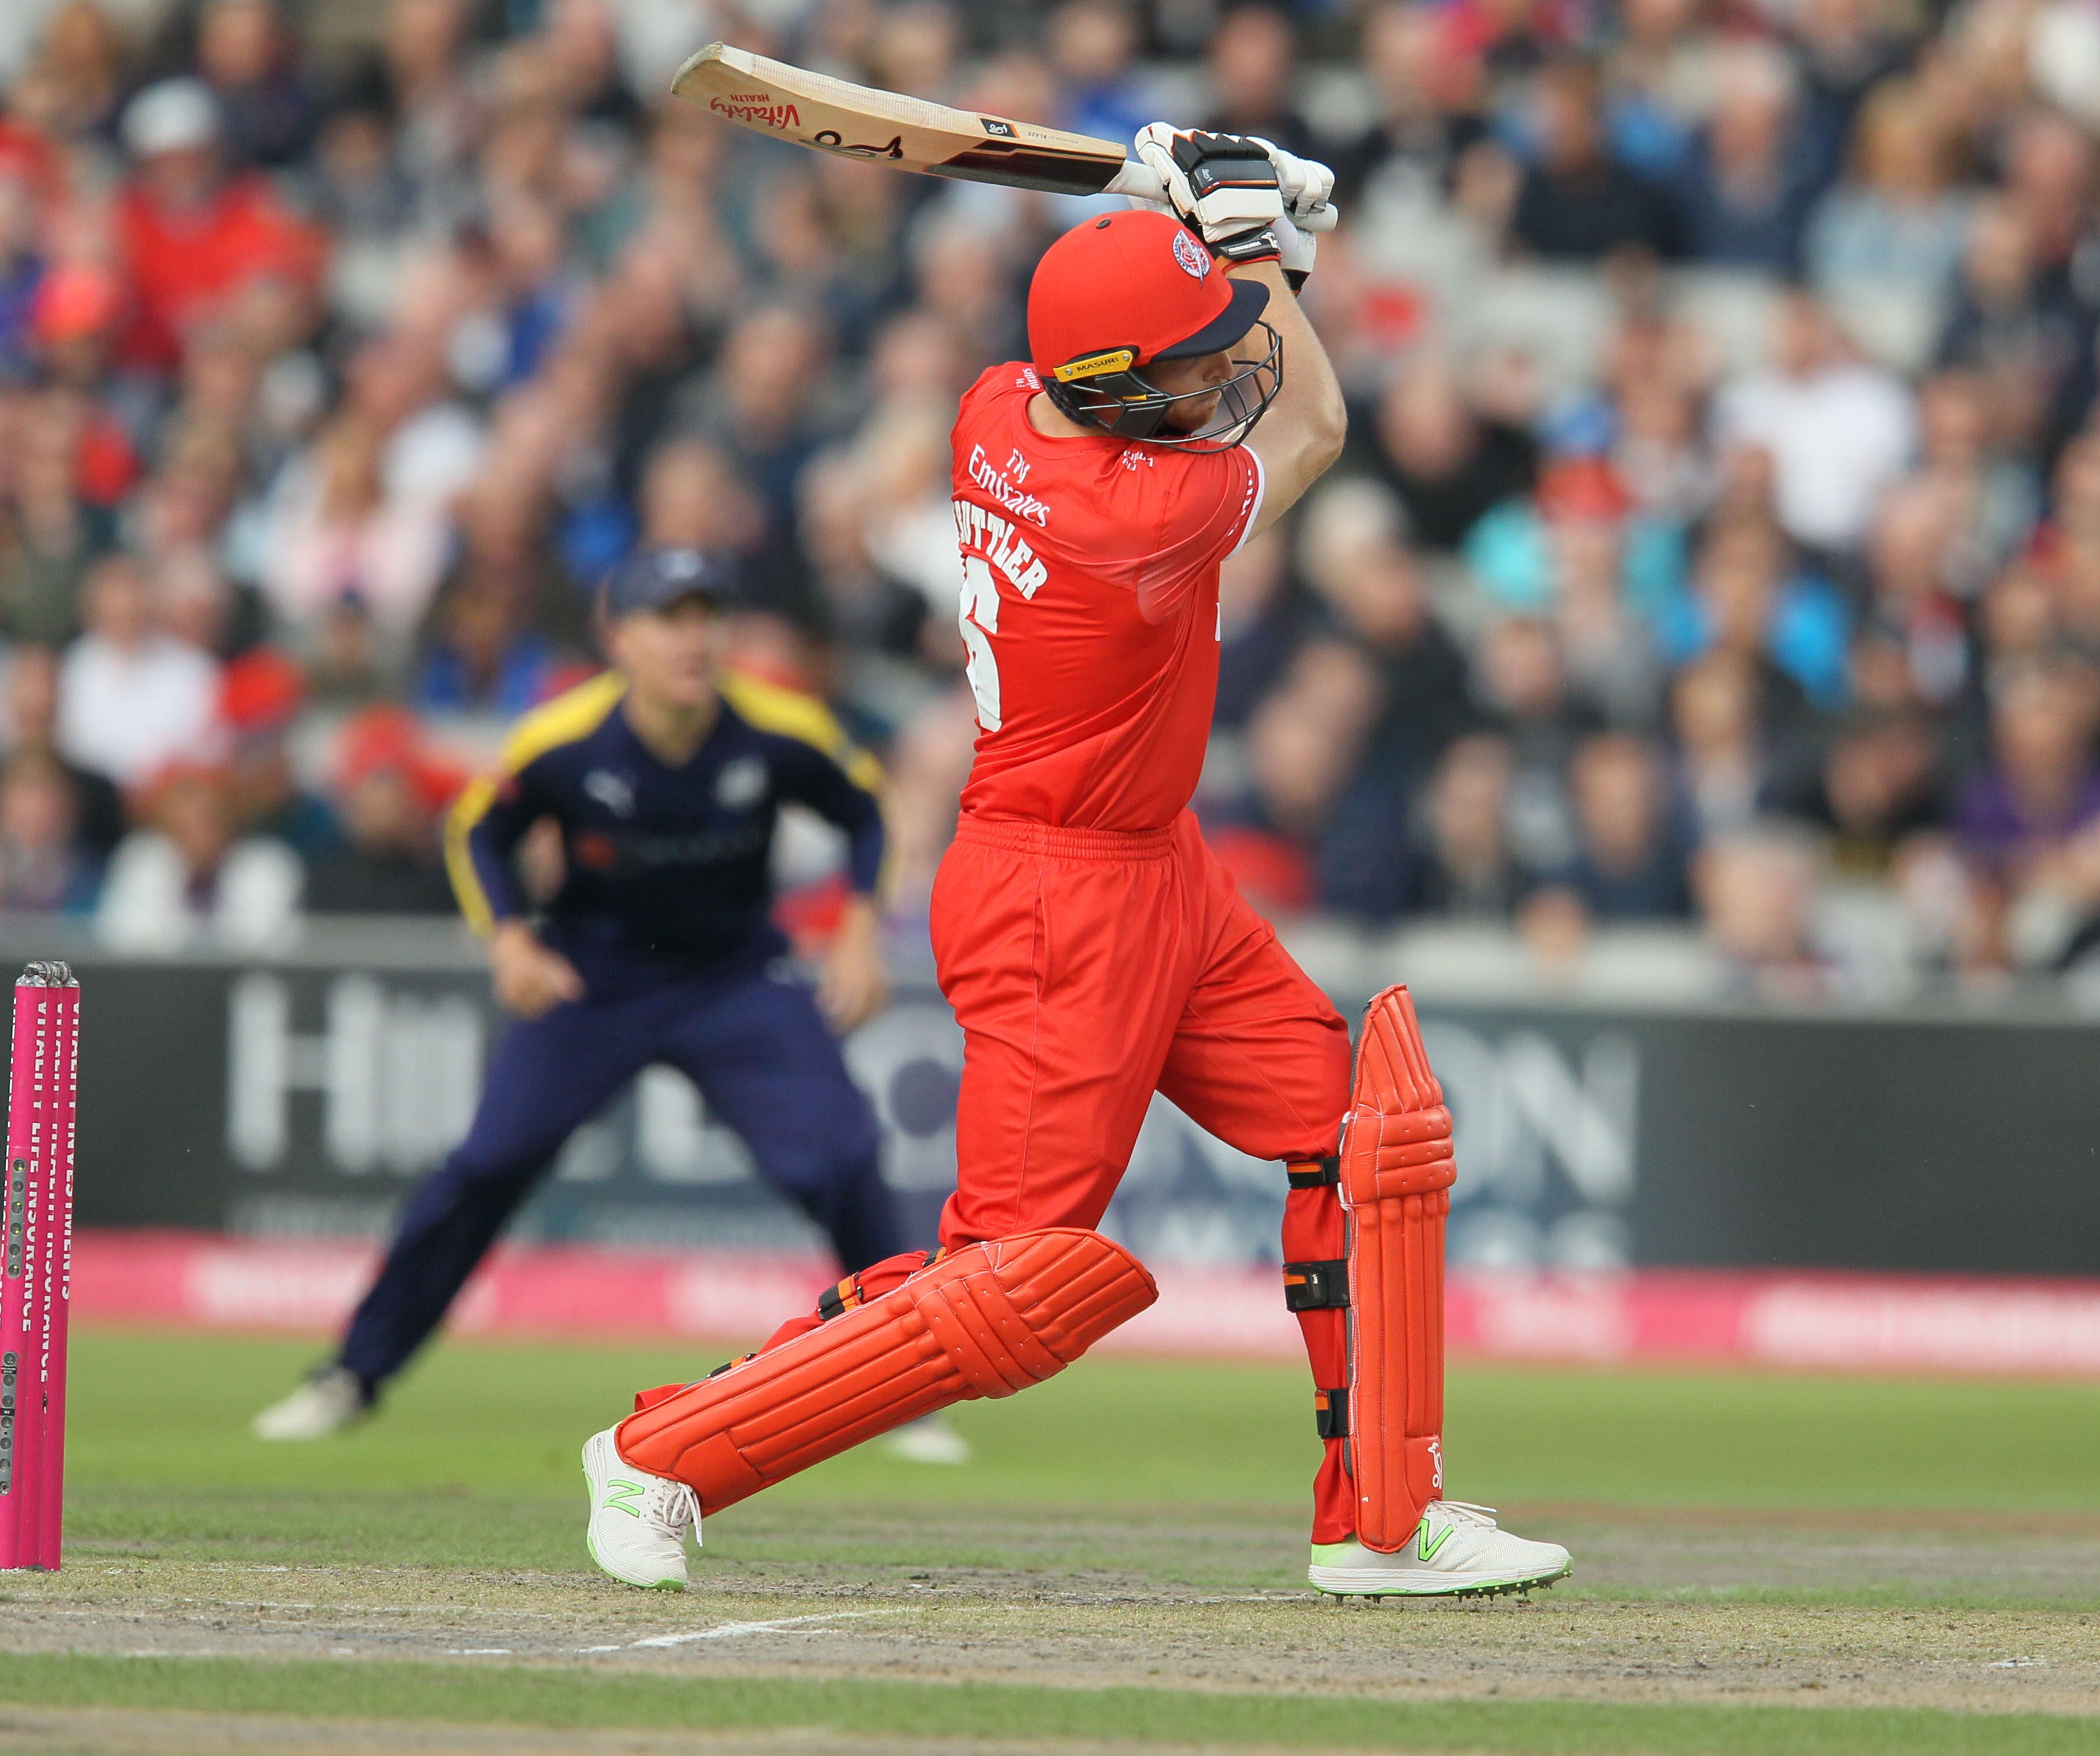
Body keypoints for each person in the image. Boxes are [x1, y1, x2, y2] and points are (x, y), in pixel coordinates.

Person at [581, 132, 1571, 1598]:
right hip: (1058, 899)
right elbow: (1312, 426)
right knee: (1011, 1284)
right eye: (1189, 370)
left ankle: (1382, 1519)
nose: (1220, 379)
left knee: (1365, 1137)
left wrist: (1232, 251)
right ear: (1114, 392)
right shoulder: (1137, 517)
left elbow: (1215, 365)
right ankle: (662, 1450)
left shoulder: (998, 405)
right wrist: (1258, 248)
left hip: (1156, 862)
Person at [254, 546, 965, 1465]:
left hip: (735, 979)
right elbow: (479, 829)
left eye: (707, 616)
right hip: (595, 981)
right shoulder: (565, 739)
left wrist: (863, 927)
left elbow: (865, 811)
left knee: (841, 1157)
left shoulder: (778, 729)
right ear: (619, 635)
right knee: (485, 1166)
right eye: (668, 619)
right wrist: (511, 941)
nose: (692, 639)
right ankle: (351, 1375)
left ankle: (903, 1391)